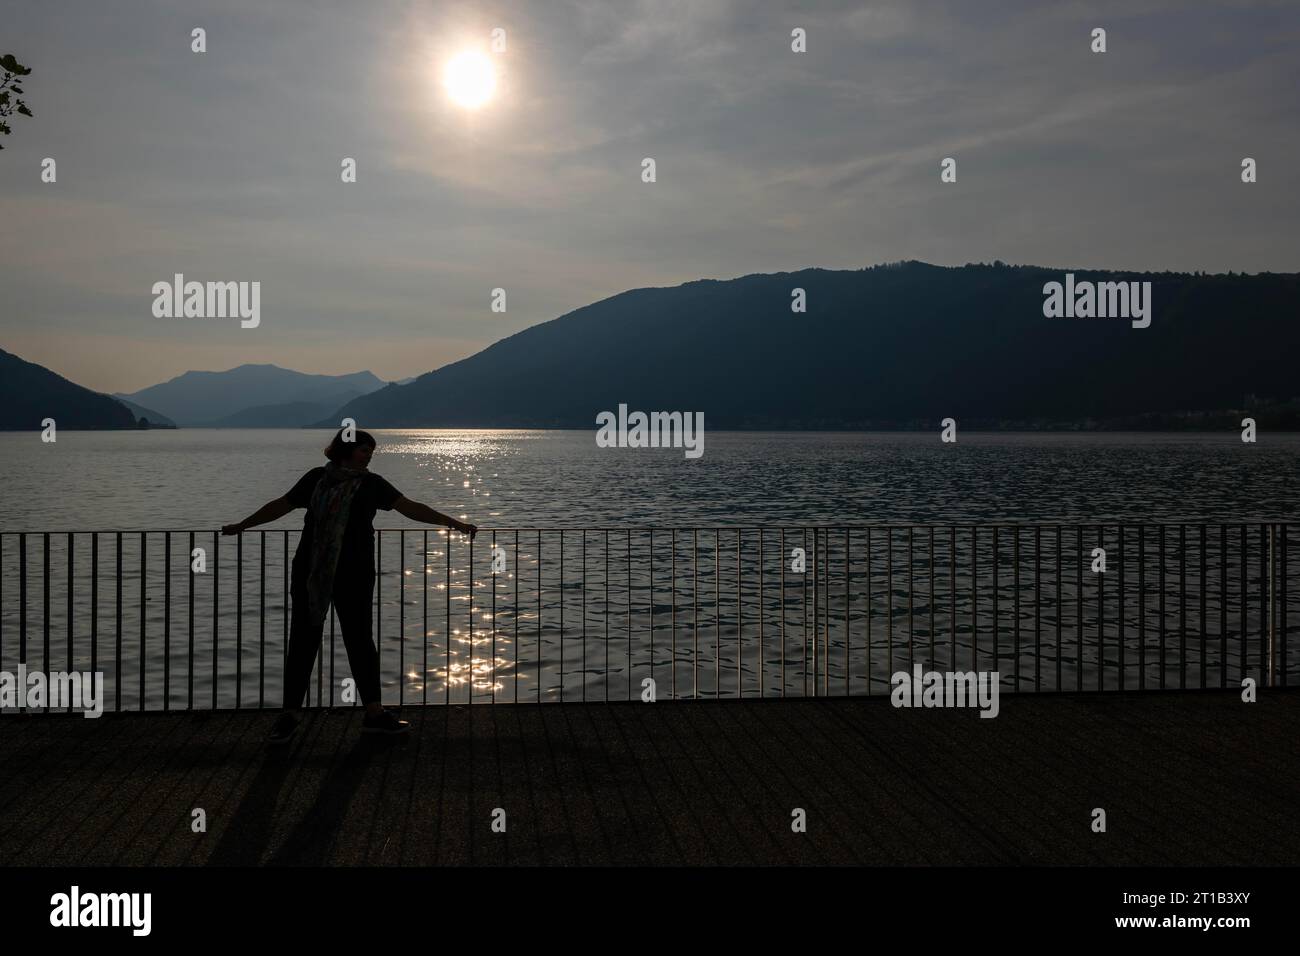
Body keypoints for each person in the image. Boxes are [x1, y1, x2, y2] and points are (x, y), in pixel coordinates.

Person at [222, 427, 477, 745]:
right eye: (363, 448)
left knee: (359, 640)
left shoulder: (372, 484)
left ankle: (373, 713)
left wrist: (454, 523)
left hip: (354, 573)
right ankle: (288, 716)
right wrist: (242, 525)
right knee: (303, 639)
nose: (369, 453)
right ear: (345, 449)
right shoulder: (316, 478)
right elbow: (282, 505)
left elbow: (410, 508)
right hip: (312, 571)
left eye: (372, 449)